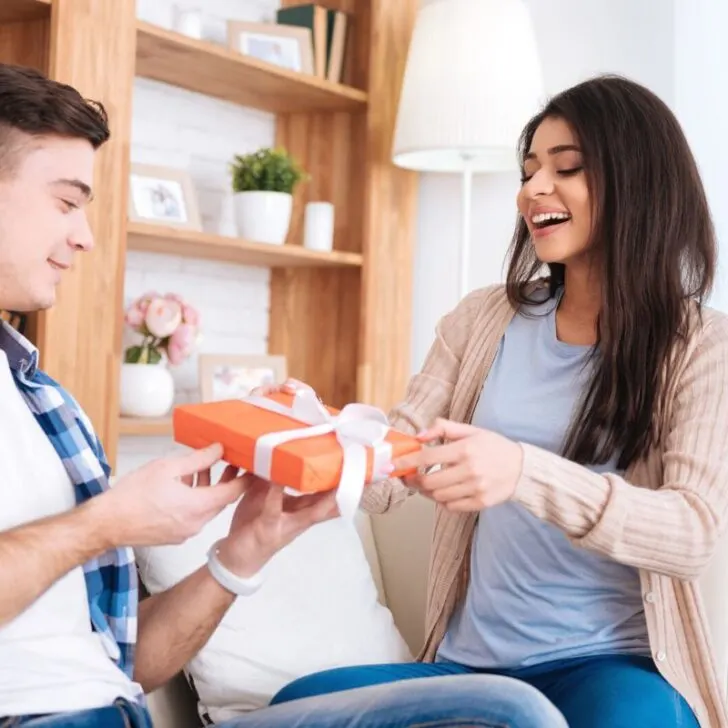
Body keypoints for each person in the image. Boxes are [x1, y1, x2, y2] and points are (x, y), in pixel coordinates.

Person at [0, 63, 568, 728]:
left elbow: (129, 667)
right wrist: (107, 521)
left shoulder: (45, 403)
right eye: (67, 202)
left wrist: (249, 547)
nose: (85, 236)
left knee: (507, 712)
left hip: (115, 711)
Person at [266, 75, 728, 728]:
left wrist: (522, 471)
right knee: (295, 710)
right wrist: (315, 429)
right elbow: (396, 472)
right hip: (468, 669)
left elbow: (692, 533)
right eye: (529, 169)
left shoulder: (701, 345)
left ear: (639, 185)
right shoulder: (482, 319)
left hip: (608, 667)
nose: (533, 189)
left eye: (565, 168)